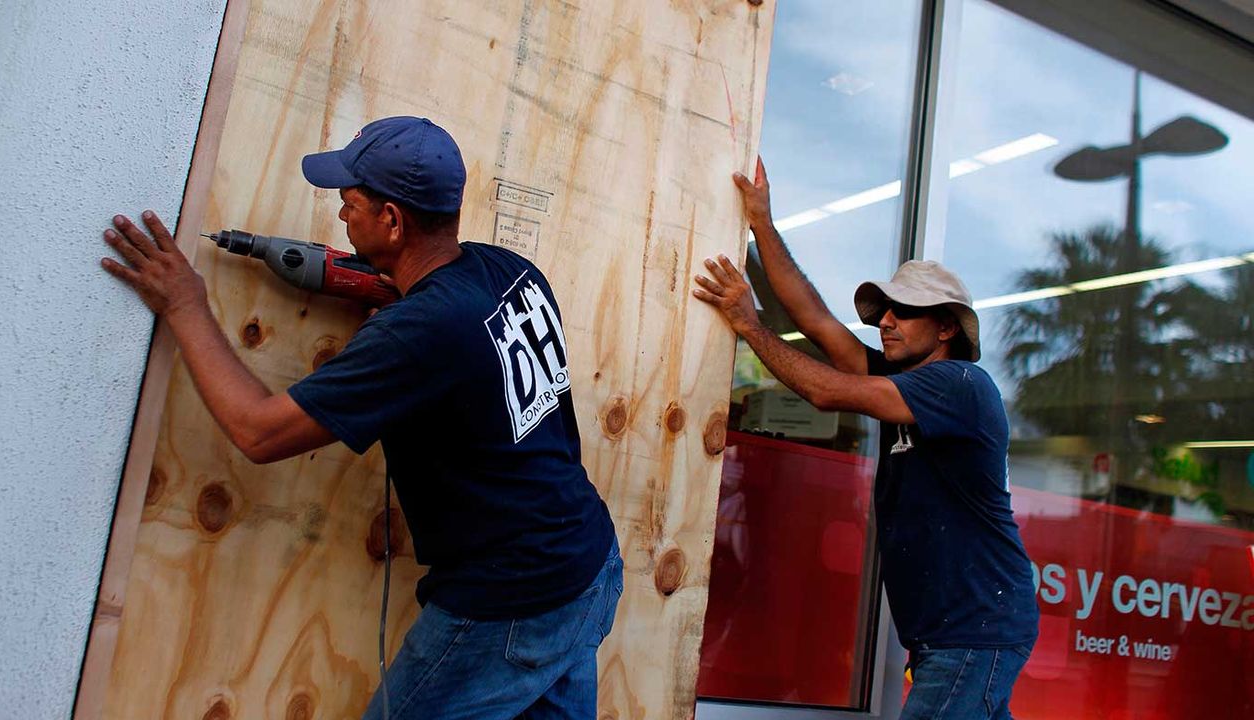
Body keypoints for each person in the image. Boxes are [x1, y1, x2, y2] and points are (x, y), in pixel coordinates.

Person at [101, 116, 621, 720]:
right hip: (588, 564)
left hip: (511, 606)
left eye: (350, 205)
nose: (342, 219)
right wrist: (399, 300)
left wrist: (186, 304)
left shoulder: (418, 332)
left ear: (394, 221)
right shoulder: (510, 270)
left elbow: (258, 431)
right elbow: (470, 365)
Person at [692, 158, 1038, 720]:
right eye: (885, 311)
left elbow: (829, 392)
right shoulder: (905, 381)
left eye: (905, 312)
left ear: (947, 327)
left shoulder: (959, 385)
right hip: (950, 633)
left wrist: (750, 325)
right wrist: (762, 223)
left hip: (976, 629)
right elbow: (817, 320)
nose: (887, 321)